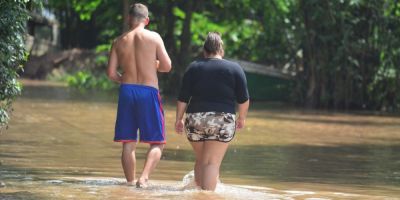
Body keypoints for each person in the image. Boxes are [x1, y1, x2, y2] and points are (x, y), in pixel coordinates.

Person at [107, 3, 172, 188]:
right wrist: (154, 65)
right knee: (157, 142)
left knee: (128, 141)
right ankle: (143, 179)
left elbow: (111, 73)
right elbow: (167, 66)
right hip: (148, 90)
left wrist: (125, 80)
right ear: (147, 20)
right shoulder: (154, 37)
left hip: (127, 91)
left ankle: (129, 184)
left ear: (129, 18)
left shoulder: (119, 41)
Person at [175, 32, 250, 191]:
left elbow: (183, 98)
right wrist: (242, 118)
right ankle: (207, 196)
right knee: (211, 163)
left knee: (201, 159)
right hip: (222, 120)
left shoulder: (193, 67)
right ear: (221, 49)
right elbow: (243, 99)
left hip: (195, 118)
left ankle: (196, 193)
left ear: (204, 50)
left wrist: (179, 119)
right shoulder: (234, 68)